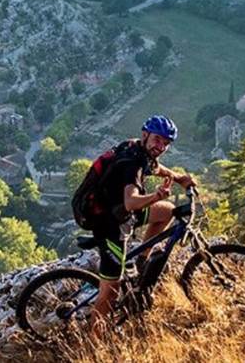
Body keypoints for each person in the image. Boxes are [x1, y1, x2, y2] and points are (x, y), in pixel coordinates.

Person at [84, 114, 196, 337]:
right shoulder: (132, 164)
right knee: (111, 292)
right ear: (145, 134)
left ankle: (143, 259)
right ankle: (96, 342)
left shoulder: (136, 147)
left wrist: (178, 178)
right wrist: (155, 195)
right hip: (109, 221)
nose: (161, 146)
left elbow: (155, 167)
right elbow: (131, 201)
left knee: (167, 212)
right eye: (157, 140)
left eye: (166, 143)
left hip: (119, 210)